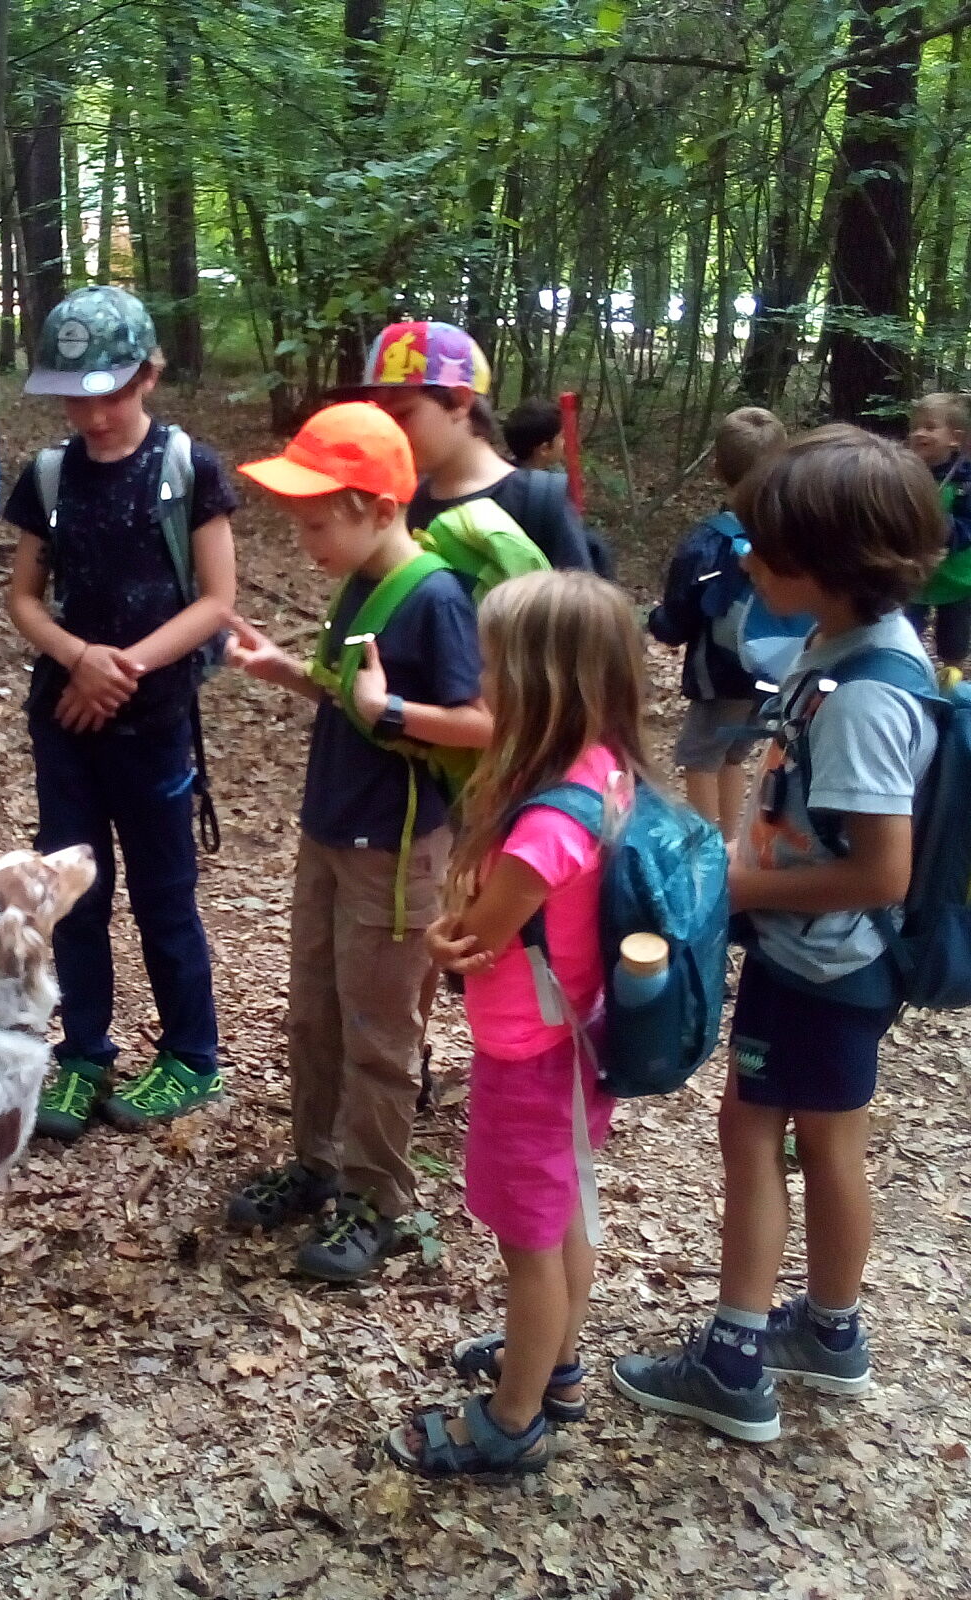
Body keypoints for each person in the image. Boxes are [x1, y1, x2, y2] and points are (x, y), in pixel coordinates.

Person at [614, 426, 943, 1443]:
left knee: (753, 1134)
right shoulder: (846, 644)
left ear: (831, 563)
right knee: (829, 1139)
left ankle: (734, 1358)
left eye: (768, 549)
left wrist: (728, 886)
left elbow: (880, 869)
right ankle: (830, 1331)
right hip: (832, 958)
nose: (749, 561)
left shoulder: (866, 694)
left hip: (819, 961)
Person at [385, 570, 646, 1478]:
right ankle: (556, 1366)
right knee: (566, 1209)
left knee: (529, 1247)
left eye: (493, 665)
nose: (482, 680)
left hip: (531, 1056)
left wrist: (440, 928)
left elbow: (474, 942)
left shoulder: (543, 829)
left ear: (540, 684)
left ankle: (512, 1420)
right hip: (578, 1039)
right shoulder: (604, 769)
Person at [224, 404, 492, 1280]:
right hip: (331, 828)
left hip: (397, 848)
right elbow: (353, 697)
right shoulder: (357, 582)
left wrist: (397, 710)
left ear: (379, 509)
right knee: (314, 1012)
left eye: (316, 523)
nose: (303, 540)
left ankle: (377, 1197)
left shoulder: (436, 597)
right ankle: (317, 1163)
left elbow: (481, 723)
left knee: (379, 1030)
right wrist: (288, 672)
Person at [4, 286, 237, 1139]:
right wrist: (79, 658)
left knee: (164, 895)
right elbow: (24, 598)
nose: (93, 414)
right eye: (75, 397)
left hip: (155, 723)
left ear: (148, 376)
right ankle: (83, 1052)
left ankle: (191, 1055)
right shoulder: (50, 476)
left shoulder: (187, 469)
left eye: (109, 393)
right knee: (74, 896)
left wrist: (124, 667)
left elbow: (216, 601)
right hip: (67, 724)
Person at [339, 322, 597, 571]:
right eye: (381, 416)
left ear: (460, 402)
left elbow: (580, 599)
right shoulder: (405, 505)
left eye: (402, 414)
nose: (387, 430)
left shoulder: (538, 503)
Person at [648, 406, 788, 833]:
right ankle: (730, 841)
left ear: (716, 468)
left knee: (699, 759)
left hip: (720, 673)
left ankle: (709, 850)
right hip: (773, 667)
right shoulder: (788, 530)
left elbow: (677, 618)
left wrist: (656, 622)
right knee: (732, 756)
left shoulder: (710, 541)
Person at [905, 391, 971, 677]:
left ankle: (952, 680)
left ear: (955, 438)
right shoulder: (904, 471)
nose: (919, 433)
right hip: (912, 575)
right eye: (915, 427)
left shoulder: (965, 480)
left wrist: (948, 532)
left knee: (954, 639)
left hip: (956, 577)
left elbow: (968, 524)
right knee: (906, 629)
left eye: (930, 427)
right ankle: (907, 671)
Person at [500, 397, 564, 472]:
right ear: (544, 449)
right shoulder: (554, 478)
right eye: (562, 437)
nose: (566, 442)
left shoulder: (503, 473)